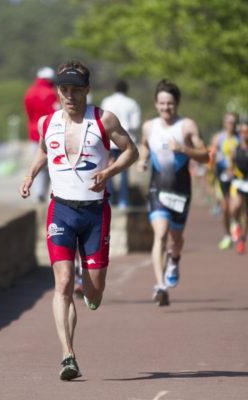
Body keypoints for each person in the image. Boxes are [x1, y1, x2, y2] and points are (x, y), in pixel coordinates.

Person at [19, 60, 138, 380]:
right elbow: (43, 151)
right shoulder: (48, 122)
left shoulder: (104, 119)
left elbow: (132, 152)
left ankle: (93, 293)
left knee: (93, 291)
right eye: (64, 90)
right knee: (62, 283)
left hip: (95, 212)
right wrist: (31, 174)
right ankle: (67, 356)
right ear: (58, 91)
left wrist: (109, 171)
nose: (69, 96)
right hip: (61, 211)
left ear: (87, 90)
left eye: (76, 90)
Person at [136, 79, 209, 306]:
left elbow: (205, 155)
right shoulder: (149, 126)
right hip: (158, 188)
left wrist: (183, 149)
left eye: (170, 103)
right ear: (156, 104)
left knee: (175, 239)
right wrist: (142, 159)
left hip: (180, 191)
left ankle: (174, 258)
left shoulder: (187, 126)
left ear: (176, 103)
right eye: (161, 103)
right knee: (160, 233)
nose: (166, 107)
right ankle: (160, 286)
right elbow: (145, 145)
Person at [101, 79, 141, 207]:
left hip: (109, 141)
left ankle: (109, 200)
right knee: (123, 172)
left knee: (109, 171)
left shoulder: (107, 101)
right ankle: (124, 201)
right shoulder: (132, 103)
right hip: (126, 141)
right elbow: (135, 124)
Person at [24, 66, 60, 202]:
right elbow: (56, 113)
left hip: (33, 132)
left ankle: (38, 194)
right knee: (53, 163)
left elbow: (28, 113)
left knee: (37, 164)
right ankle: (53, 193)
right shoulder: (51, 93)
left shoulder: (29, 92)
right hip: (50, 132)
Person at [210, 112, 241, 249]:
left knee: (235, 206)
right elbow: (210, 153)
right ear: (224, 122)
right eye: (229, 121)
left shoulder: (241, 138)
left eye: (234, 121)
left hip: (236, 177)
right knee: (224, 209)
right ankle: (228, 235)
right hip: (221, 177)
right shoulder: (219, 138)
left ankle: (237, 223)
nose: (231, 124)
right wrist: (216, 158)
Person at [232, 121, 248, 254]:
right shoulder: (236, 149)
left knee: (246, 214)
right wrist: (230, 171)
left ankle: (242, 240)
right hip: (238, 182)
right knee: (236, 206)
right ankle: (237, 224)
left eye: (246, 132)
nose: (244, 134)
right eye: (241, 132)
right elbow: (231, 164)